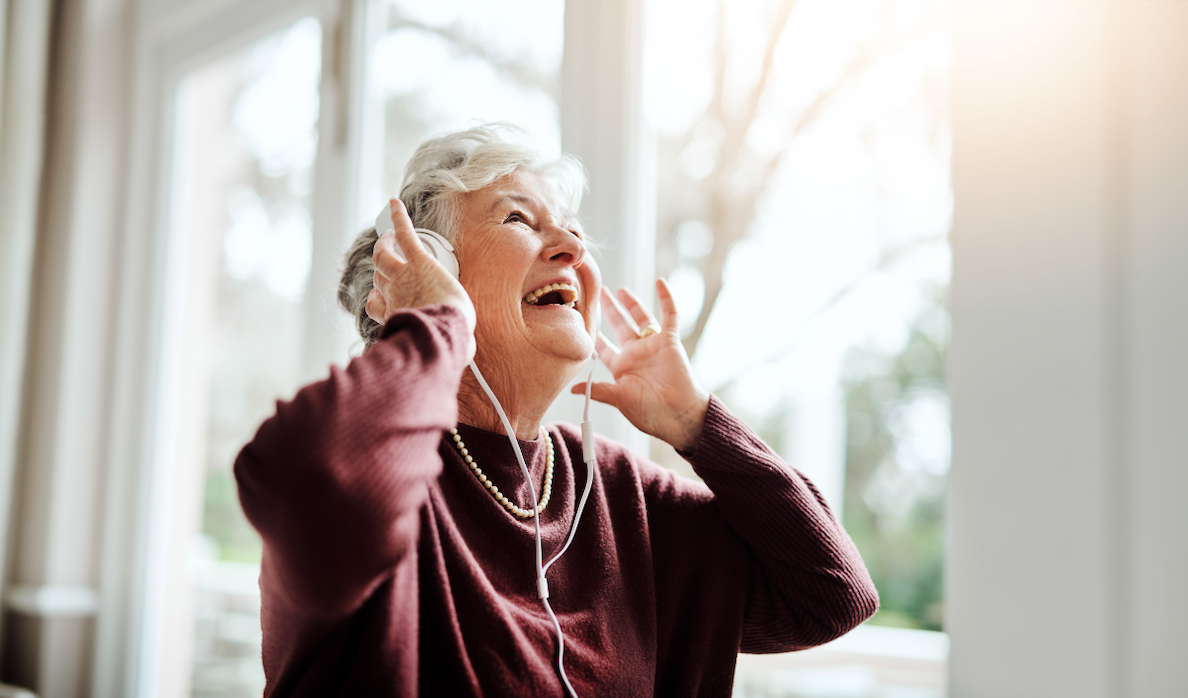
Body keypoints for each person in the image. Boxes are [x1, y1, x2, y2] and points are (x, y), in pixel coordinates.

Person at [235, 124, 878, 697]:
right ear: (432, 266)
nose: (570, 248)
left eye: (571, 230)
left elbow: (831, 594)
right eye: (520, 219)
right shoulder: (369, 464)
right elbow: (298, 479)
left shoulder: (619, 490)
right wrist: (434, 326)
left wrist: (699, 426)